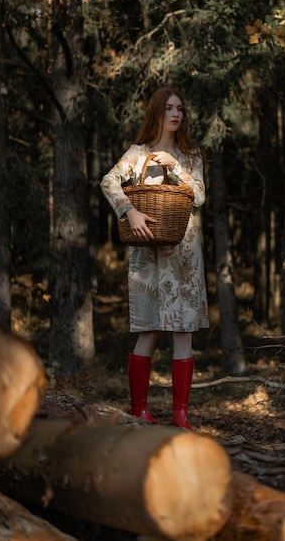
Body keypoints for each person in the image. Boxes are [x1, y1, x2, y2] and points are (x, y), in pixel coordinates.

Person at [100, 87, 209, 430]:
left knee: (183, 331)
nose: (176, 114)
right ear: (157, 113)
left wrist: (176, 167)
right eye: (169, 108)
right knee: (147, 329)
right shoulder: (137, 153)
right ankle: (139, 411)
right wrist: (128, 211)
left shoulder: (191, 155)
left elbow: (201, 197)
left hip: (184, 252)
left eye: (180, 108)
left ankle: (181, 416)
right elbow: (108, 182)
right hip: (147, 250)